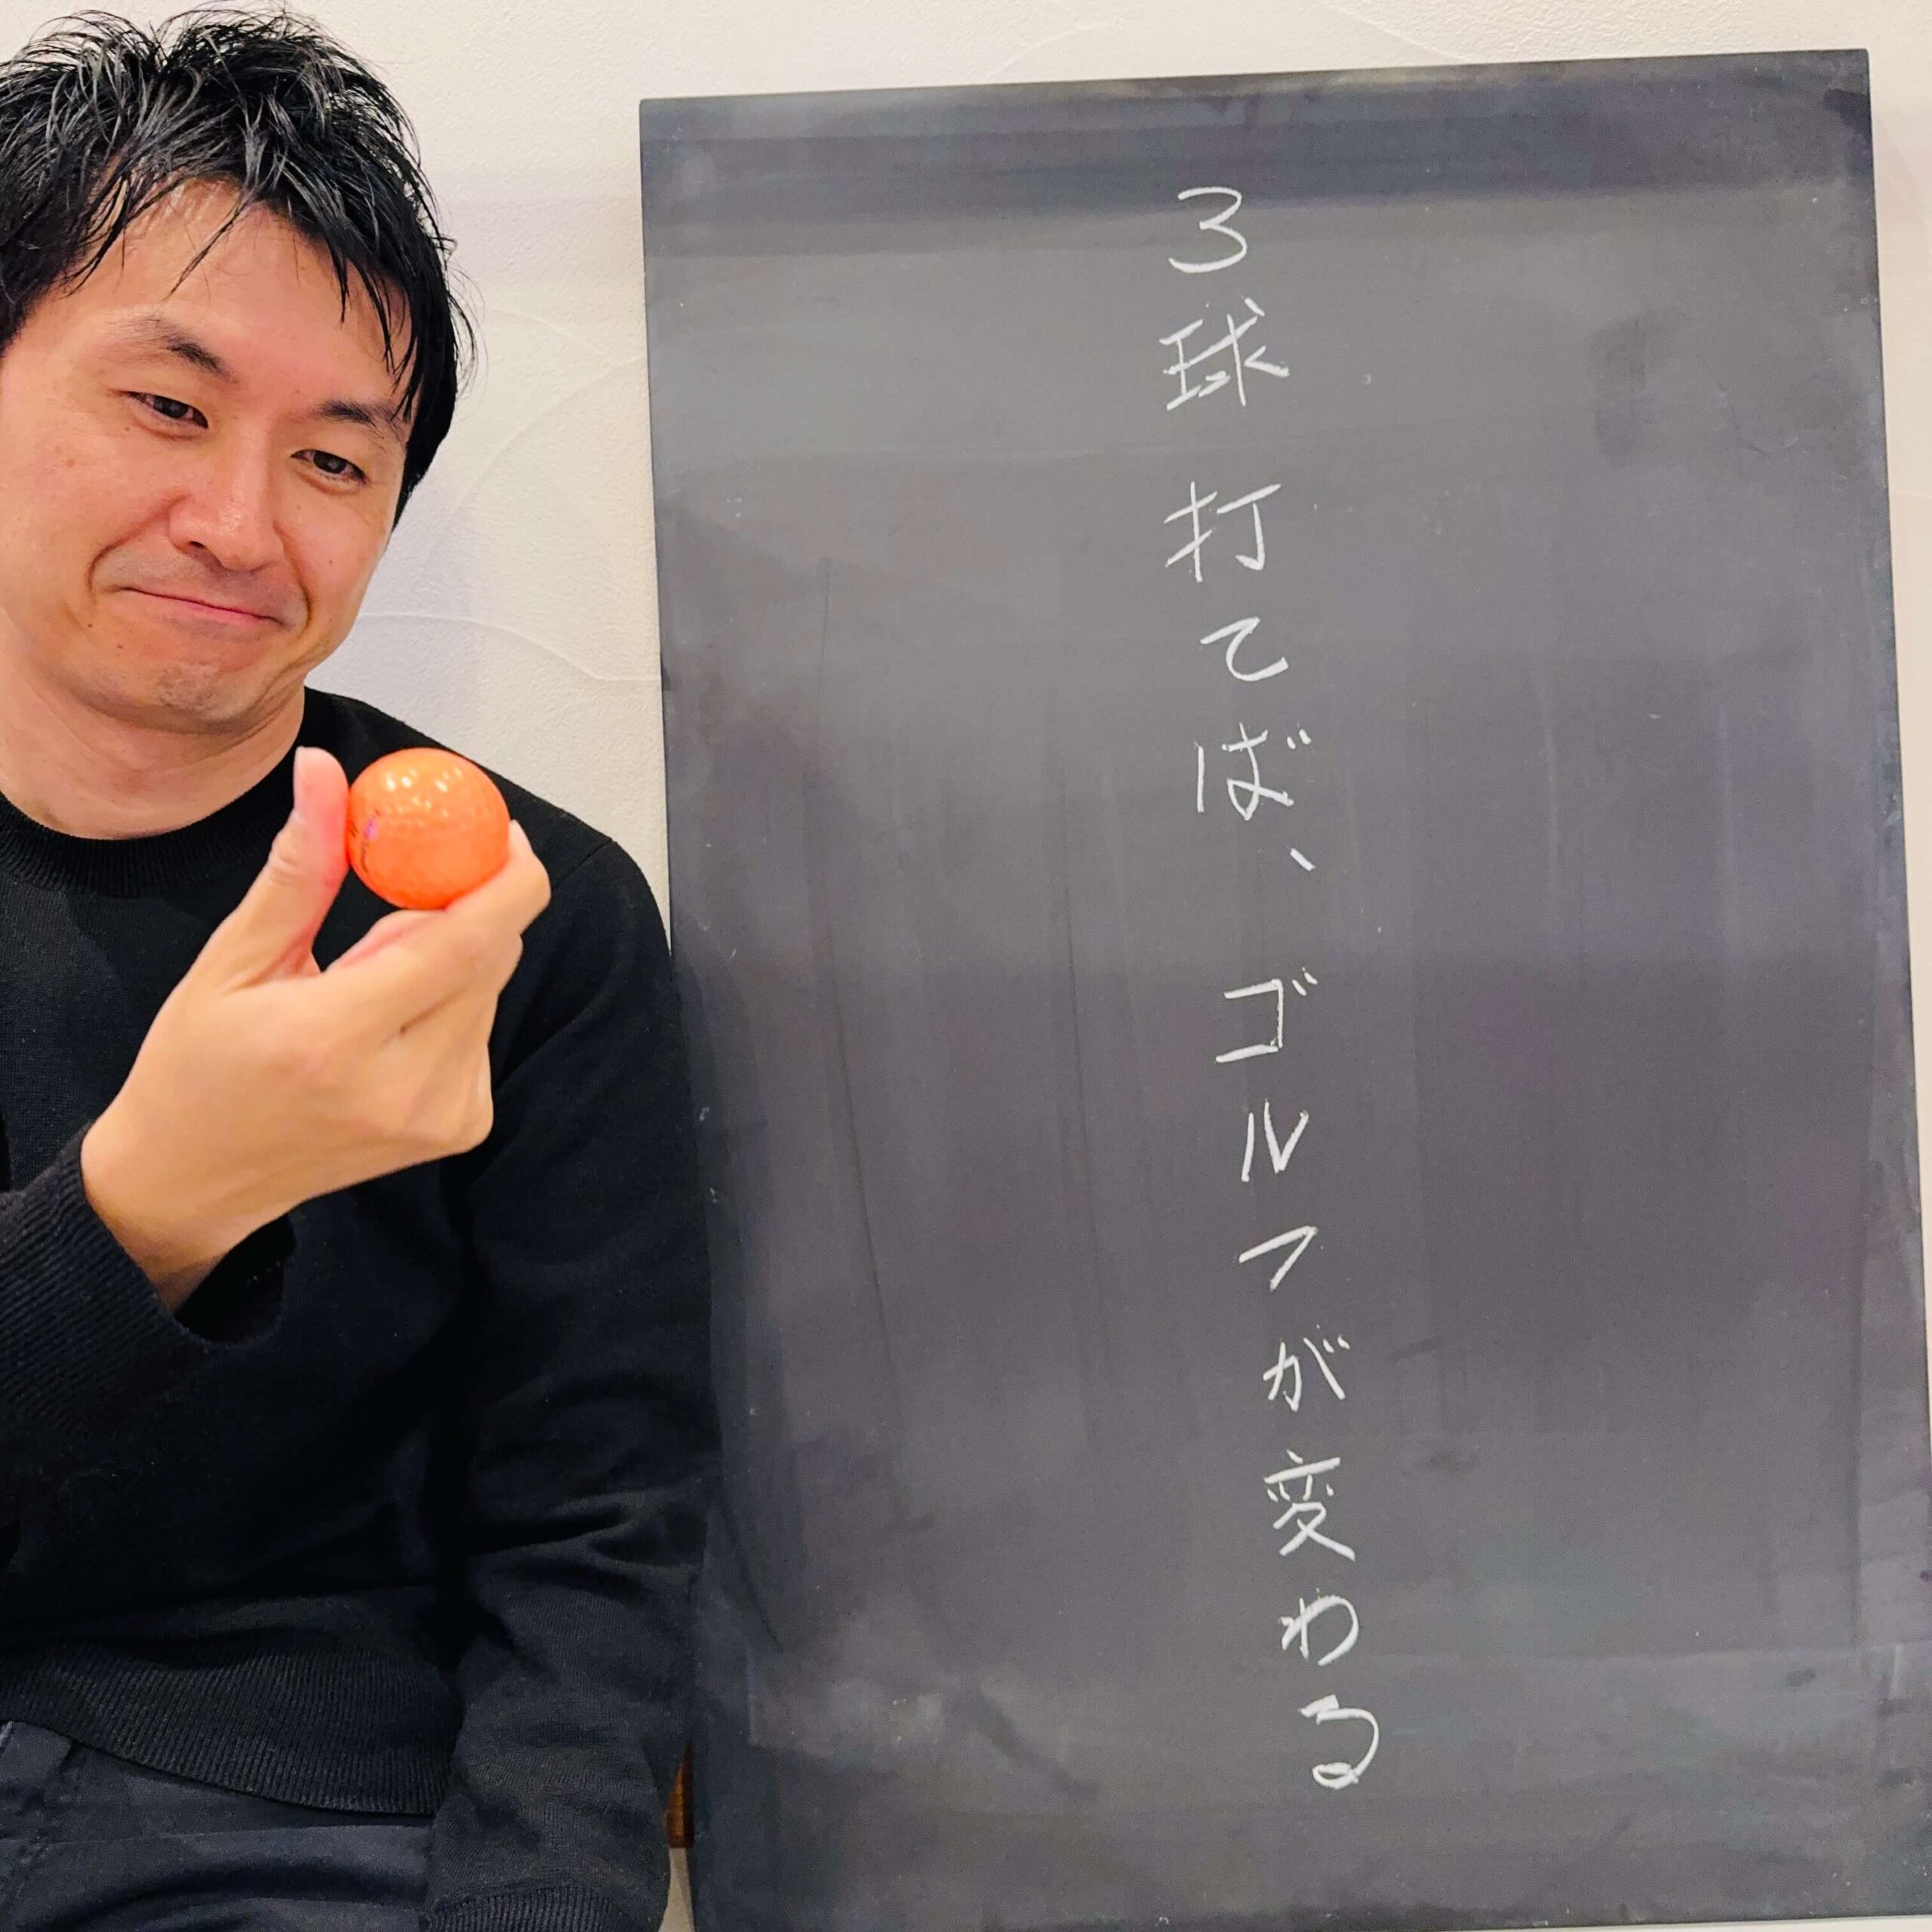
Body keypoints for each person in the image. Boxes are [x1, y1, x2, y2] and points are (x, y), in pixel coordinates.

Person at [0, 9, 715, 1928]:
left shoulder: (517, 919)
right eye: (168, 407)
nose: (241, 525)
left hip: (284, 1813)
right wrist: (149, 1202)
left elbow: (596, 1527)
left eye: (333, 454)